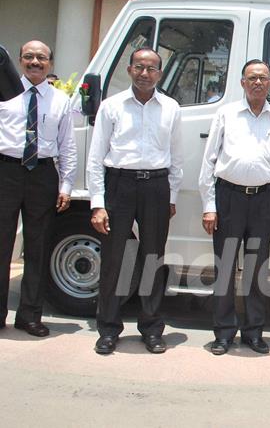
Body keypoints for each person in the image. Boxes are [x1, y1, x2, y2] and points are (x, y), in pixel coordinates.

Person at [87, 47, 183, 355]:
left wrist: (173, 194)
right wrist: (98, 203)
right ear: (129, 70)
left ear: (159, 73)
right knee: (115, 258)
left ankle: (151, 328)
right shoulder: (111, 106)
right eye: (139, 67)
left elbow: (177, 157)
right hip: (120, 184)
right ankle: (109, 329)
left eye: (152, 68)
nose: (145, 73)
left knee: (152, 259)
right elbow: (95, 158)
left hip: (156, 185)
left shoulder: (170, 107)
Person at [198, 59, 270, 355]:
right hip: (228, 198)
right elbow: (208, 161)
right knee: (224, 268)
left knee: (256, 269)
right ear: (242, 82)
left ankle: (254, 331)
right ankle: (223, 332)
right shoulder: (226, 114)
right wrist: (209, 205)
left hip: (263, 200)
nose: (258, 82)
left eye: (263, 77)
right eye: (252, 77)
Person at [0, 40, 77, 336]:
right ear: (20, 60)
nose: (35, 62)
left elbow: (67, 146)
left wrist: (66, 185)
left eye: (41, 58)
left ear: (51, 64)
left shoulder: (60, 100)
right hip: (5, 170)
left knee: (38, 247)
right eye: (29, 57)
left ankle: (30, 315)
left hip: (43, 175)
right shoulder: (4, 93)